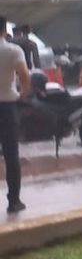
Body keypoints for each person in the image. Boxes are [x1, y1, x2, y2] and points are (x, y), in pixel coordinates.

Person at [0, 15, 32, 214]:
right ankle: (14, 201)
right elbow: (25, 74)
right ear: (4, 30)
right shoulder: (12, 50)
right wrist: (23, 93)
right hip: (8, 106)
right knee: (11, 155)